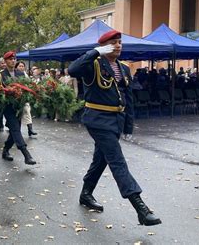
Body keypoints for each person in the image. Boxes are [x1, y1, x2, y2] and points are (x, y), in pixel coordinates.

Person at [68, 30, 161, 226]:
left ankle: (86, 194)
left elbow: (129, 99)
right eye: (113, 43)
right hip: (97, 119)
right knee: (117, 160)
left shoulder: (124, 69)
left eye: (120, 42)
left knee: (101, 159)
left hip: (116, 120)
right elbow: (72, 70)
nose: (118, 45)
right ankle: (141, 208)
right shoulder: (93, 64)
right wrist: (96, 51)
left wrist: (128, 126)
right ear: (104, 46)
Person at [0, 52, 36, 165]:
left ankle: (6, 150)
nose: (13, 61)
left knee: (15, 130)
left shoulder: (21, 73)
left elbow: (26, 88)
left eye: (14, 59)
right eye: (10, 59)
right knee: (15, 128)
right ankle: (26, 154)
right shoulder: (0, 75)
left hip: (18, 106)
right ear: (5, 61)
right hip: (7, 107)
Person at [15, 61, 37, 137]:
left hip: (24, 97)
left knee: (27, 111)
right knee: (18, 115)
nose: (21, 67)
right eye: (20, 66)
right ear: (16, 67)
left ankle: (30, 129)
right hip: (16, 97)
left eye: (22, 66)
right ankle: (16, 131)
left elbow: (29, 84)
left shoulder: (26, 75)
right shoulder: (14, 74)